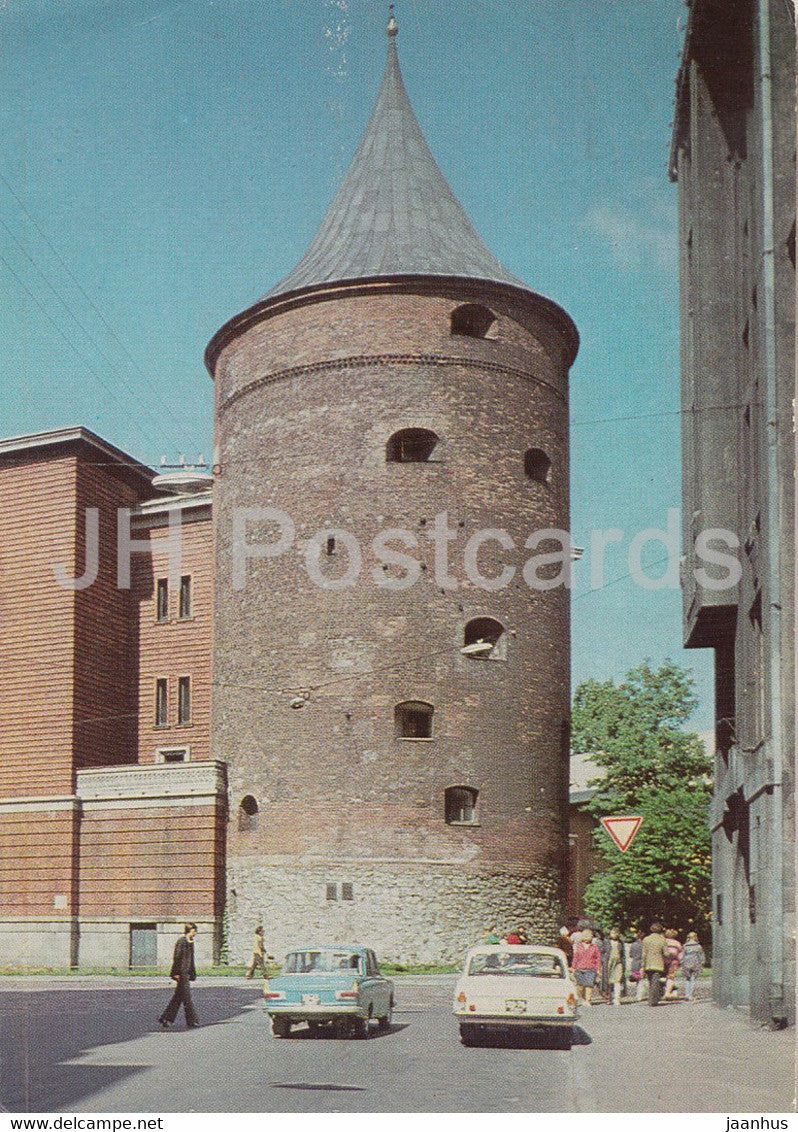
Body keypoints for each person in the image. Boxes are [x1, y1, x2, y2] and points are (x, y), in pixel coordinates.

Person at [159, 923, 199, 1029]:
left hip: (186, 973)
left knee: (178, 997)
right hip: (181, 973)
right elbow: (176, 958)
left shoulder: (190, 942)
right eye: (195, 931)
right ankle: (191, 1020)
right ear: (191, 930)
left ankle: (166, 1018)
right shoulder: (181, 941)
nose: (196, 933)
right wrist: (175, 973)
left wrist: (192, 973)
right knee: (187, 998)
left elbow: (191, 960)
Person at [571, 928, 602, 1005]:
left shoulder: (594, 947)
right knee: (580, 986)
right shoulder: (579, 946)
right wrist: (573, 967)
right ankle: (583, 998)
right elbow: (576, 957)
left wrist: (598, 968)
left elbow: (598, 958)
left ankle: (588, 1000)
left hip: (591, 968)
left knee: (589, 985)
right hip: (579, 968)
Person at [641, 922, 669, 1006]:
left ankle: (651, 999)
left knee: (650, 982)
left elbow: (644, 954)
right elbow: (666, 953)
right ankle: (654, 1000)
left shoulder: (646, 939)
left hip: (648, 964)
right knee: (656, 982)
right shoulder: (662, 939)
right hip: (658, 963)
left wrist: (642, 965)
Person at [681, 931, 706, 1001]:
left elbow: (682, 956)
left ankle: (686, 994)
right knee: (693, 979)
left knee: (687, 979)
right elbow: (701, 956)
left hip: (686, 963)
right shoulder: (698, 946)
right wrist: (702, 963)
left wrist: (681, 963)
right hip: (695, 963)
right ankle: (691, 995)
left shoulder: (685, 946)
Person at [606, 927, 626, 1005]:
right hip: (609, 963)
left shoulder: (620, 943)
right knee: (609, 981)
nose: (614, 935)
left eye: (615, 933)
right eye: (612, 933)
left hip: (618, 963)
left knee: (617, 980)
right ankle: (610, 997)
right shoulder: (607, 942)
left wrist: (623, 964)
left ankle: (617, 998)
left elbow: (623, 954)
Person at [663, 928, 683, 999]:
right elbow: (680, 954)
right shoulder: (677, 943)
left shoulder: (663, 942)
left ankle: (662, 991)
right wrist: (680, 962)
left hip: (663, 961)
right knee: (671, 977)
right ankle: (667, 993)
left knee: (663, 976)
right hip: (674, 962)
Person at [628, 930, 647, 1001]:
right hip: (643, 963)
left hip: (635, 963)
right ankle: (640, 995)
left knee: (637, 978)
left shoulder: (633, 945)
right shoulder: (645, 945)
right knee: (641, 980)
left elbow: (630, 954)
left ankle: (638, 995)